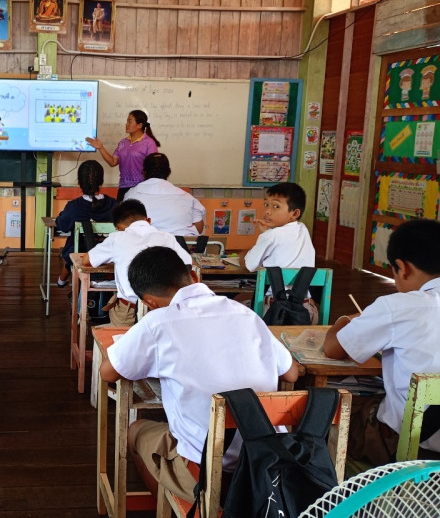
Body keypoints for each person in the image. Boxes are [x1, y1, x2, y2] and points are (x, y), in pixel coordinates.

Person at [100, 246, 299, 501]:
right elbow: (291, 374)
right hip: (269, 464)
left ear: (149, 302)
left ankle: (187, 505)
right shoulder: (245, 313)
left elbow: (108, 373)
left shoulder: (157, 323)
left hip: (210, 472)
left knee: (136, 431)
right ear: (194, 276)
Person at [324, 219, 440, 466]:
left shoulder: (398, 306)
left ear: (403, 267)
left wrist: (346, 320)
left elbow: (333, 349)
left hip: (410, 451)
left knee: (327, 406)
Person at [83, 199, 191, 327]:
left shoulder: (116, 238)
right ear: (148, 221)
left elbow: (87, 260)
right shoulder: (167, 237)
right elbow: (188, 264)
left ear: (118, 228)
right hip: (165, 311)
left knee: (116, 320)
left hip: (130, 311)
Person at [240, 182, 317, 323]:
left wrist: (244, 253)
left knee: (238, 301)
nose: (267, 211)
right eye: (266, 205)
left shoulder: (270, 236)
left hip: (273, 312)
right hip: (305, 312)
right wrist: (267, 233)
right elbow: (283, 243)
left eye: (276, 206)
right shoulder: (303, 229)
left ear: (295, 213)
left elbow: (248, 265)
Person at [55, 160, 118, 287]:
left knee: (71, 248)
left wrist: (60, 217)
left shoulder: (74, 207)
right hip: (109, 255)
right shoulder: (114, 205)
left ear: (79, 182)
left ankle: (62, 280)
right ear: (101, 181)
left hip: (80, 256)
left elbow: (62, 226)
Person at [85, 110, 160, 201]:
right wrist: (101, 148)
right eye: (127, 121)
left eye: (129, 121)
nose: (126, 124)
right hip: (123, 187)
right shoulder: (123, 142)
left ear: (139, 125)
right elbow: (113, 162)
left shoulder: (149, 143)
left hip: (142, 188)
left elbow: (153, 168)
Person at [124, 152, 205, 236]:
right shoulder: (188, 198)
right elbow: (198, 229)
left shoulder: (131, 194)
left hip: (144, 243)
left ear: (144, 172)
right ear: (169, 172)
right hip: (178, 244)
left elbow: (125, 225)